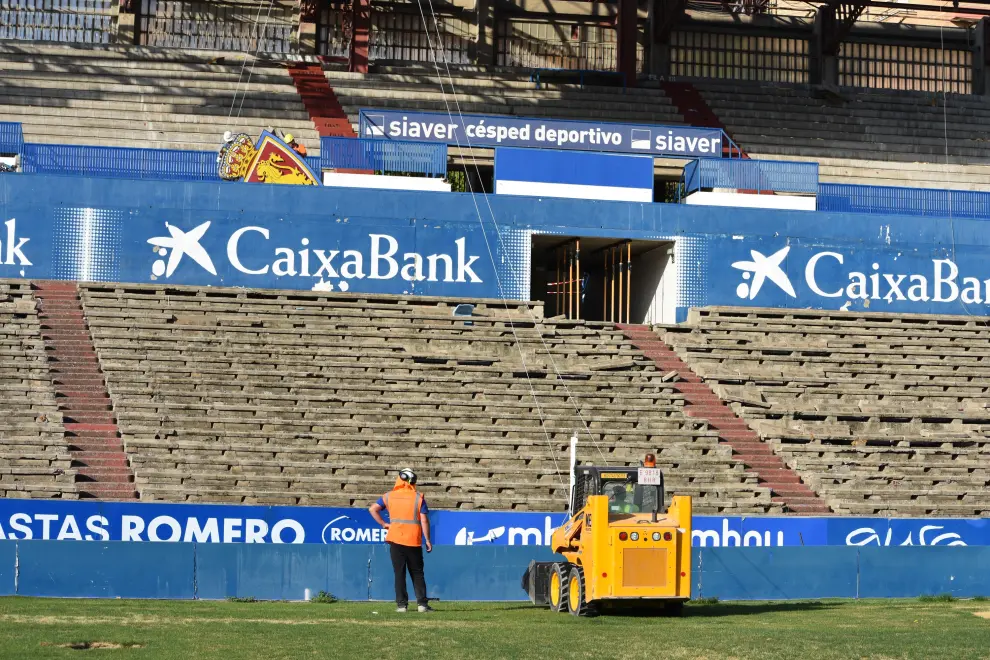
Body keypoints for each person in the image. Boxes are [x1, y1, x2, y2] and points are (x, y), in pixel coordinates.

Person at [369, 468, 433, 613]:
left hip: (395, 539)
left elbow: (373, 509)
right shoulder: (418, 497)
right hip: (413, 540)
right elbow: (424, 519)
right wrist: (427, 539)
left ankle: (401, 605)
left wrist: (384, 524)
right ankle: (422, 604)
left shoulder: (389, 496)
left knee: (399, 573)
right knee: (417, 573)